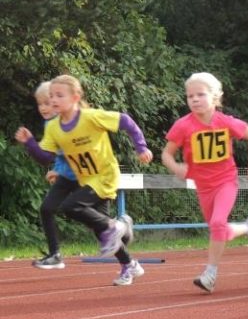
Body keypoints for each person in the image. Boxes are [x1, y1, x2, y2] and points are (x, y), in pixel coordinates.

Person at [15, 74, 152, 285]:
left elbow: (126, 121)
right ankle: (129, 264)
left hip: (105, 175)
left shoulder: (90, 117)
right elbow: (45, 157)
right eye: (51, 96)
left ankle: (119, 226)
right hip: (85, 178)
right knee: (103, 233)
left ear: (75, 97)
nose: (53, 100)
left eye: (59, 95)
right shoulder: (53, 127)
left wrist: (141, 147)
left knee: (72, 206)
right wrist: (30, 142)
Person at [161, 72, 248, 293]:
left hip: (225, 182)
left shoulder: (225, 122)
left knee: (218, 224)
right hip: (202, 186)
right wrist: (176, 167)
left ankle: (210, 274)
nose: (194, 99)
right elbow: (166, 154)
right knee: (217, 229)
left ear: (215, 97)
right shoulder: (183, 126)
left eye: (200, 94)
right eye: (190, 95)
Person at [31, 81, 80, 269]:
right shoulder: (49, 124)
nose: (44, 108)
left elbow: (75, 150)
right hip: (67, 176)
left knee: (97, 222)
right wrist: (57, 170)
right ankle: (55, 254)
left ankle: (121, 229)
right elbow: (56, 153)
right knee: (46, 208)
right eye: (40, 104)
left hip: (86, 176)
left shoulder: (72, 121)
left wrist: (58, 170)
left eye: (48, 103)